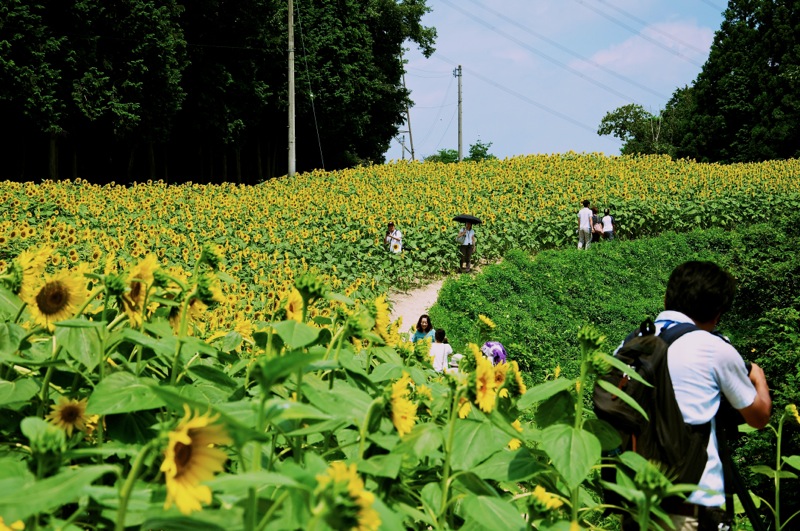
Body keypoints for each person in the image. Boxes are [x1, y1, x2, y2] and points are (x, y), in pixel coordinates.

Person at [640, 261, 772, 530]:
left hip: (633, 495)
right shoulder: (712, 347)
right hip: (689, 503)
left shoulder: (634, 341)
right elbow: (759, 416)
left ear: (666, 299)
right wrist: (757, 374)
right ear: (717, 315)